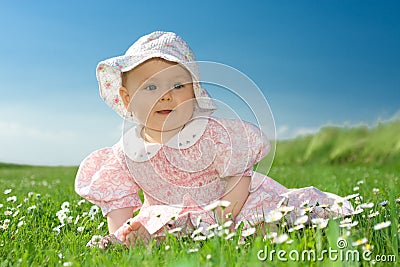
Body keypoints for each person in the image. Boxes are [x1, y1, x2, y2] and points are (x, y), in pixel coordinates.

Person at [75, 31, 353, 247]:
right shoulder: (124, 154)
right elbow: (119, 201)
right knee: (160, 230)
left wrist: (223, 222)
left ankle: (284, 223)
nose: (166, 95)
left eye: (178, 85)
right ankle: (142, 240)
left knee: (264, 221)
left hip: (231, 202)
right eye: (150, 86)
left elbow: (239, 177)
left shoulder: (211, 134)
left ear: (194, 93)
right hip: (168, 214)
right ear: (127, 98)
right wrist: (122, 234)